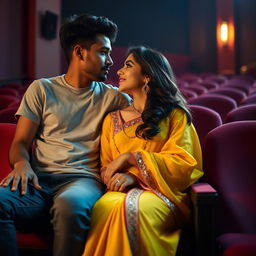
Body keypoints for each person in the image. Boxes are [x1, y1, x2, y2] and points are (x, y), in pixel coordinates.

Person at [0, 14, 130, 256]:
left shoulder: (113, 97)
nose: (111, 61)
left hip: (81, 181)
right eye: (104, 52)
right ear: (80, 52)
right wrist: (21, 164)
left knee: (70, 206)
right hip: (38, 182)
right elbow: (20, 143)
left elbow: (156, 111)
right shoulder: (41, 89)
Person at [82, 46, 203, 256]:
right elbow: (107, 167)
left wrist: (132, 160)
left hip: (161, 194)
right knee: (106, 208)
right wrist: (118, 177)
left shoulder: (175, 116)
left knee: (135, 210)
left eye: (128, 65)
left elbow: (184, 164)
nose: (118, 71)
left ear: (147, 75)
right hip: (117, 193)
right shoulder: (111, 120)